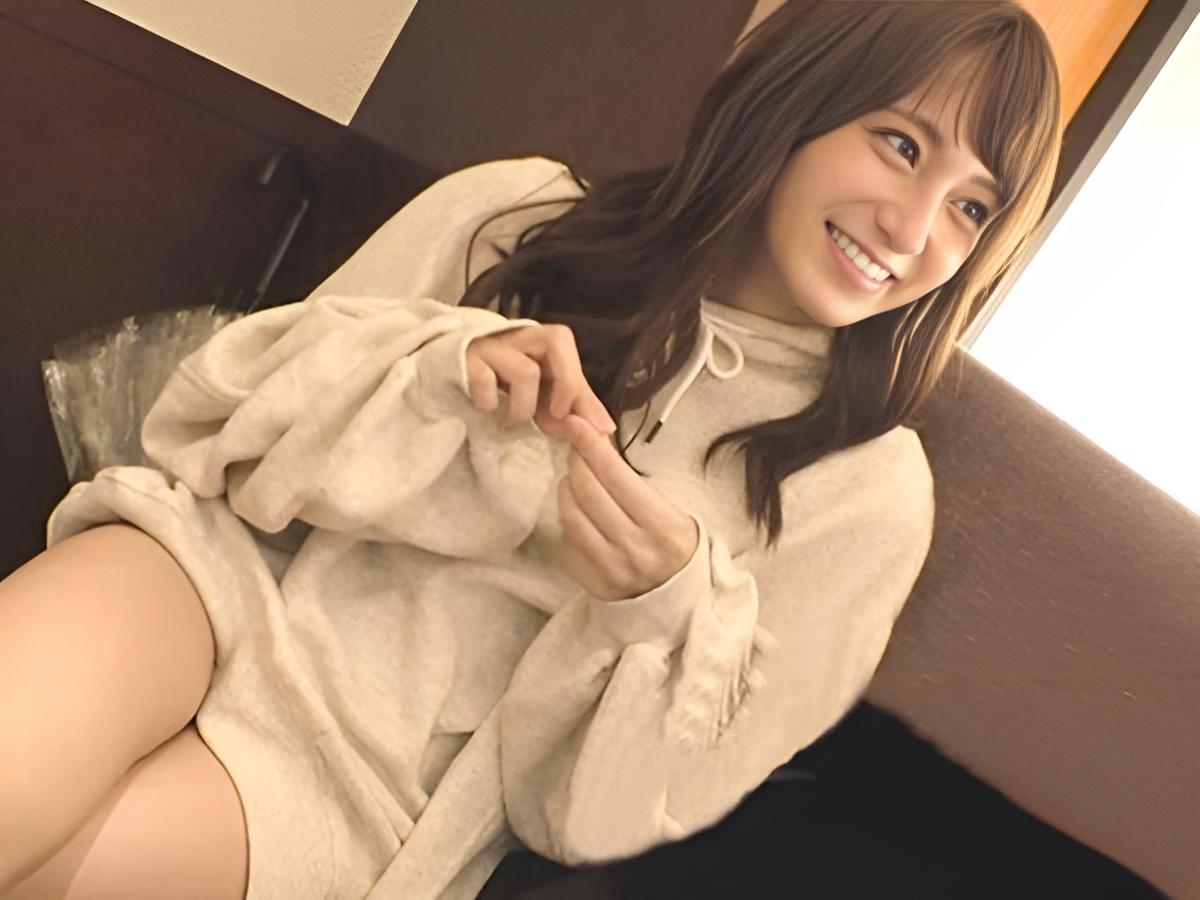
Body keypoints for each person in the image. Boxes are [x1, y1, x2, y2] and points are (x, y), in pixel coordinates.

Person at [0, 1, 1062, 897]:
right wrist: (437, 368)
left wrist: (656, 612)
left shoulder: (866, 494)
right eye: (901, 145)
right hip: (206, 571)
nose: (914, 229)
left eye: (972, 207)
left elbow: (614, 815)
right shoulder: (515, 212)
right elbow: (205, 425)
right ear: (800, 99)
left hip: (362, 777)